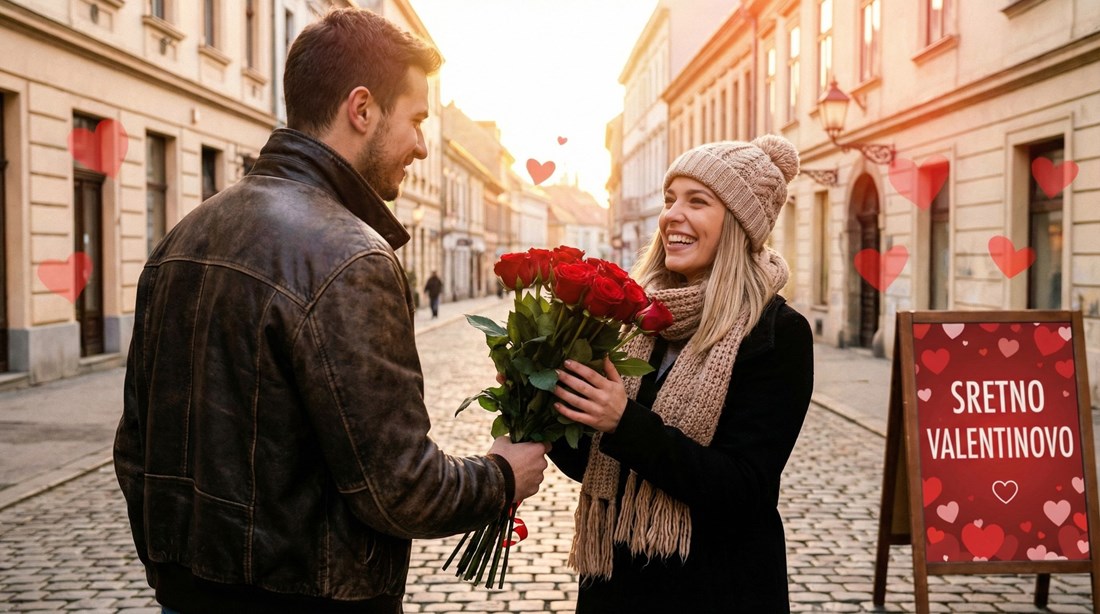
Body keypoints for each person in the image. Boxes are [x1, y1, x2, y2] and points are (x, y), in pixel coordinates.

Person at [113, 8, 549, 614]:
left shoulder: (182, 236)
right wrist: (500, 477)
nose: (423, 147)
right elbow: (400, 488)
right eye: (417, 121)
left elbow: (134, 451)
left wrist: (173, 575)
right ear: (362, 109)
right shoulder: (349, 257)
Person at [548, 136, 814, 612]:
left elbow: (743, 488)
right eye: (671, 199)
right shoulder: (638, 318)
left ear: (737, 223)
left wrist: (623, 422)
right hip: (617, 584)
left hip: (716, 588)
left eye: (697, 201)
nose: (672, 214)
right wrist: (548, 404)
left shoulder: (777, 334)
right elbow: (594, 464)